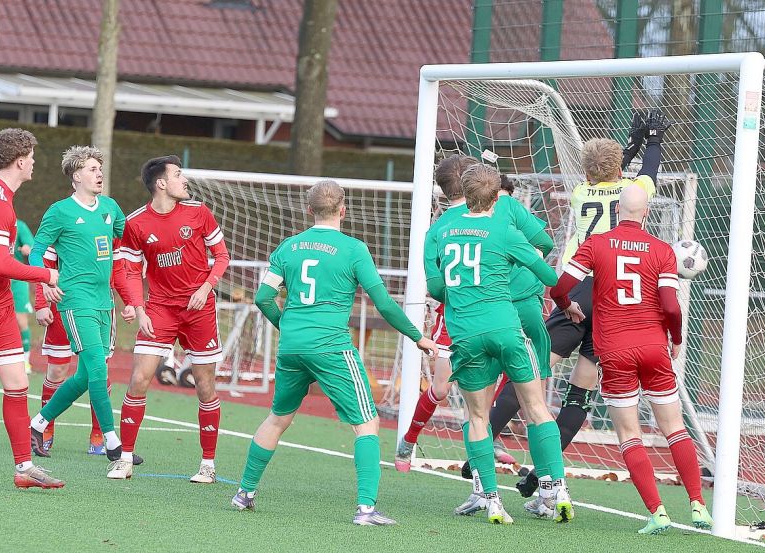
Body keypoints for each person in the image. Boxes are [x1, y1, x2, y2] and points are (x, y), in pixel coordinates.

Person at [231, 180, 437, 525]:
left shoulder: (289, 246)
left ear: (308, 209)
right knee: (367, 422)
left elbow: (262, 298)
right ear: (343, 209)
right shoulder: (354, 249)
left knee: (278, 418)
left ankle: (244, 493)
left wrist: (289, 326)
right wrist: (417, 336)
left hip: (292, 345)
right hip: (331, 345)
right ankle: (366, 509)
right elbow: (384, 303)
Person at [514, 111, 670, 497]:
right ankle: (543, 473)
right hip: (612, 300)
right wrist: (652, 141)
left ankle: (487, 440)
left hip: (577, 288)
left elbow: (612, 174)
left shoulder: (582, 192)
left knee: (532, 370)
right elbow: (645, 171)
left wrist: (630, 146)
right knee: (580, 390)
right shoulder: (632, 195)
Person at [549, 184, 712, 534]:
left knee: (629, 434)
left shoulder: (596, 244)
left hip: (616, 350)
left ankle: (658, 512)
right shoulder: (662, 250)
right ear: (647, 212)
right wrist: (676, 340)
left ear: (617, 210)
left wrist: (568, 307)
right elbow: (670, 305)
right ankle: (698, 506)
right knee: (674, 427)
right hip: (654, 347)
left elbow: (559, 288)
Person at [427, 164, 572, 524]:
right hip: (509, 327)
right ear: (497, 197)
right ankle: (555, 490)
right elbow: (551, 276)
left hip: (466, 333)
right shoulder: (505, 229)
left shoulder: (441, 230)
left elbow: (434, 288)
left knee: (477, 415)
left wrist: (464, 289)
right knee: (536, 406)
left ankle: (489, 499)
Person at [394, 157, 546, 471]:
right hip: (455, 319)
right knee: (441, 387)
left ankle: (487, 447)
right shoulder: (443, 227)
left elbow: (534, 244)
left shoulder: (498, 212)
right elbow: (437, 283)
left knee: (504, 376)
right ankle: (408, 440)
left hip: (492, 315)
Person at [106, 155, 230, 483]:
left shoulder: (199, 212)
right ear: (161, 183)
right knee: (138, 380)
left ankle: (207, 464)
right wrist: (138, 306)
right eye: (178, 175)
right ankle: (125, 459)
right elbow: (130, 269)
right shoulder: (136, 223)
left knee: (205, 385)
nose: (184, 180)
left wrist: (207, 286)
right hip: (160, 308)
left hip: (199, 310)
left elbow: (222, 256)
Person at [0, 128, 63, 489]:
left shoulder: (3, 199)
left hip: (0, 306)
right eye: (32, 157)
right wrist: (47, 274)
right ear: (20, 161)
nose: (35, 163)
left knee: (18, 383)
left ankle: (24, 468)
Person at [28, 146, 134, 471]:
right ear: (76, 176)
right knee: (99, 372)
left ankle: (37, 423)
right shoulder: (59, 211)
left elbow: (120, 242)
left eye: (99, 168)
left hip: (105, 304)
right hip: (76, 301)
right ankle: (114, 444)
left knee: (85, 375)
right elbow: (36, 251)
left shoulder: (112, 208)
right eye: (91, 169)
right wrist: (45, 282)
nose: (99, 173)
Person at [34, 245, 137, 457]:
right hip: (66, 299)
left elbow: (117, 267)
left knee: (95, 370)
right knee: (58, 371)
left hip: (101, 305)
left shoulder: (110, 214)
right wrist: (40, 303)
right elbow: (41, 260)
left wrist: (130, 301)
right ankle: (44, 427)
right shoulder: (63, 213)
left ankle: (101, 436)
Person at [11, 218, 35, 372]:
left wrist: (27, 248)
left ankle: (26, 359)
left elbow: (31, 246)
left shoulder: (20, 225)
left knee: (20, 319)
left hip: (17, 278)